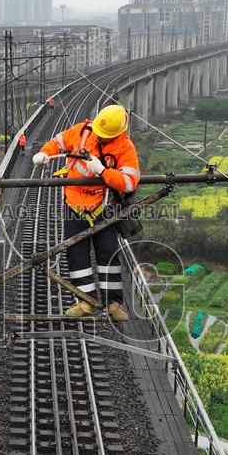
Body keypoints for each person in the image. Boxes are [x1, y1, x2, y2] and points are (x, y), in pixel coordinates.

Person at [32, 104, 140, 321]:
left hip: (104, 208)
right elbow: (58, 142)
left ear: (118, 133)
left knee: (107, 256)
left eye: (105, 137)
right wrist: (44, 153)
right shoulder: (84, 132)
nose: (100, 139)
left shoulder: (125, 148)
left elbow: (129, 183)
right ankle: (86, 301)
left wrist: (102, 171)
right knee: (77, 257)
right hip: (75, 205)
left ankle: (114, 304)